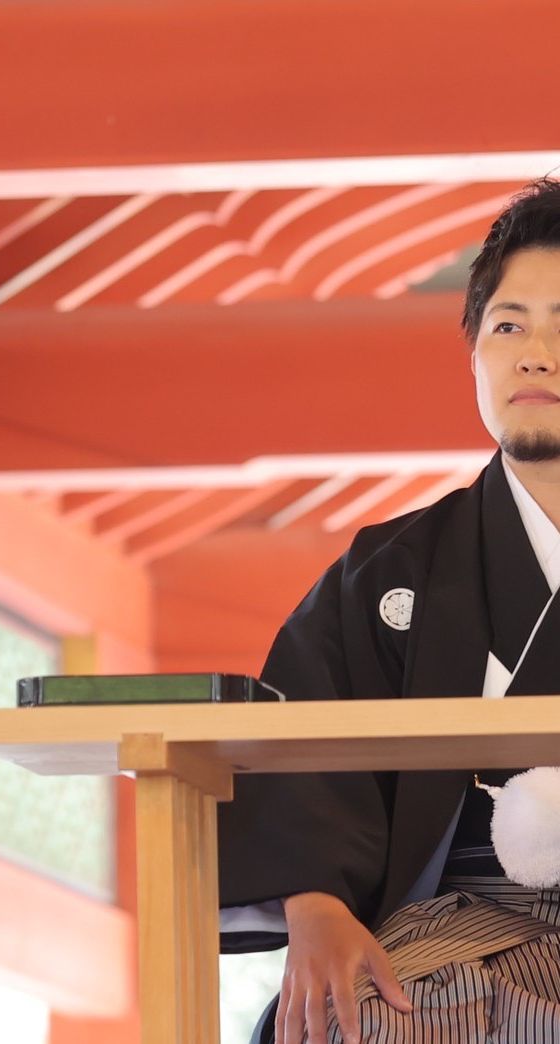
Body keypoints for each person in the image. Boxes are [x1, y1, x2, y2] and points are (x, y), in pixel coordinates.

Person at [219, 178, 560, 1044]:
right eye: (508, 326)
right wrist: (316, 906)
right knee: (363, 1023)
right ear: (474, 356)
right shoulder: (394, 571)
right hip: (448, 934)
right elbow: (298, 742)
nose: (535, 355)